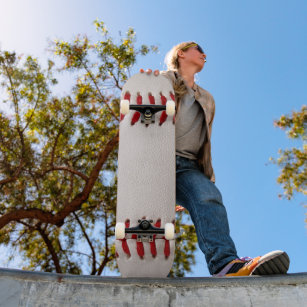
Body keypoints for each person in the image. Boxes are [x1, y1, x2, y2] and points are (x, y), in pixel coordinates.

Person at [140, 41, 290, 277]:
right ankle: (143, 261)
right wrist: (146, 85)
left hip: (188, 167)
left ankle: (225, 265)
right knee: (150, 217)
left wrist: (200, 181)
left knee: (209, 197)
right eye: (198, 50)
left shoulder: (207, 99)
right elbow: (141, 108)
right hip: (157, 158)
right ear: (181, 53)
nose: (203, 54)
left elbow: (203, 141)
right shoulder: (161, 80)